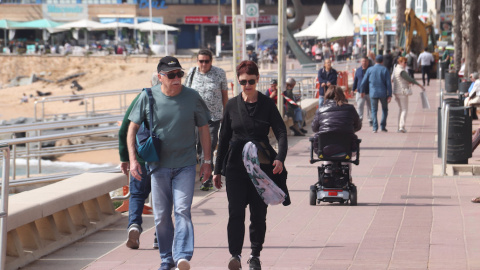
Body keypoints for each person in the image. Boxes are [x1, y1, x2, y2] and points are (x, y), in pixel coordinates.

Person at [127, 56, 212, 270]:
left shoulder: (192, 97)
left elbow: (203, 128)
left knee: (182, 210)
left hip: (185, 164)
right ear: (160, 77)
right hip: (158, 167)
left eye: (179, 74)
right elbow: (131, 128)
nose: (177, 78)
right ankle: (167, 259)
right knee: (162, 216)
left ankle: (182, 255)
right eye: (171, 75)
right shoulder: (148, 97)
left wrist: (207, 161)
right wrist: (132, 160)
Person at [212, 60, 289, 270]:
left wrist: (280, 157)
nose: (247, 86)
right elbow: (224, 138)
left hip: (261, 168)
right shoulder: (231, 106)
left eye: (251, 82)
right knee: (235, 212)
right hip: (236, 168)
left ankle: (255, 255)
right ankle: (235, 254)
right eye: (243, 82)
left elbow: (281, 132)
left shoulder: (267, 105)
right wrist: (217, 170)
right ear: (238, 81)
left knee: (258, 214)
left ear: (258, 80)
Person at [119, 72, 160, 250]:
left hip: (142, 157)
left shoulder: (141, 98)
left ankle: (134, 226)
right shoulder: (174, 99)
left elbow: (124, 129)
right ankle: (160, 236)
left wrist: (125, 158)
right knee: (162, 198)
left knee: (136, 195)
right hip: (164, 159)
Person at [185, 49, 228, 191]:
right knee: (198, 148)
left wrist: (226, 116)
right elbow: (185, 93)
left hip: (213, 118)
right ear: (197, 61)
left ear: (211, 61)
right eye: (201, 61)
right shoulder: (191, 72)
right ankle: (207, 171)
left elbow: (224, 96)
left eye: (206, 61)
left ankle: (206, 180)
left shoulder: (220, 73)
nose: (203, 64)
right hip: (194, 119)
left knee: (208, 147)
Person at [311, 85, 361, 180]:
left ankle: (327, 175)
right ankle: (348, 176)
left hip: (325, 149)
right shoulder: (350, 109)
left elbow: (314, 128)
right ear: (342, 95)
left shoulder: (321, 110)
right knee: (347, 155)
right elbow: (358, 126)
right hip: (347, 148)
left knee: (326, 155)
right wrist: (346, 129)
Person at [391, 57, 425, 133]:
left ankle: (399, 126)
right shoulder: (401, 71)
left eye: (406, 62)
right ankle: (401, 127)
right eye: (404, 62)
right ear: (400, 62)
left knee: (401, 109)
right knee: (404, 109)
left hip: (396, 92)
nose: (406, 64)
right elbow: (409, 78)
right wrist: (419, 85)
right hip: (402, 92)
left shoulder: (395, 69)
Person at [360, 55, 393, 133]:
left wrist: (362, 91)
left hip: (373, 93)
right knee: (384, 109)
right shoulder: (385, 69)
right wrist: (390, 94)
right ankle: (383, 126)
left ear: (375, 61)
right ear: (382, 61)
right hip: (383, 93)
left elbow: (363, 82)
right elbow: (388, 83)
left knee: (374, 110)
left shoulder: (370, 69)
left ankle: (375, 128)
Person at [352, 57, 372, 126]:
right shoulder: (358, 70)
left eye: (365, 61)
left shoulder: (371, 69)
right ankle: (359, 119)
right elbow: (355, 80)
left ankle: (370, 120)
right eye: (363, 61)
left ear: (368, 62)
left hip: (369, 91)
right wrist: (353, 89)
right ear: (361, 62)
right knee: (360, 106)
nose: (364, 62)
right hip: (360, 92)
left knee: (370, 107)